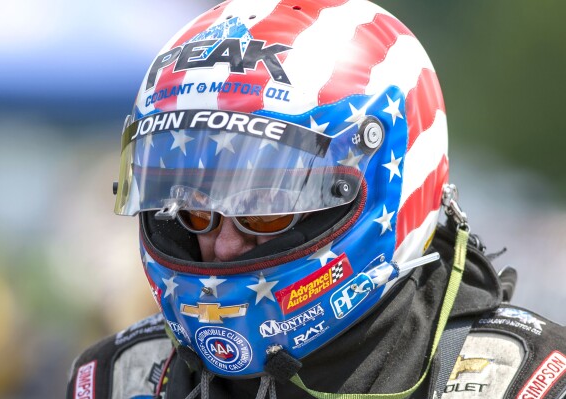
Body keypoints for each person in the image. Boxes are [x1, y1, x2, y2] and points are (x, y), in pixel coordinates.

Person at [67, 0, 566, 398]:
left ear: (387, 190)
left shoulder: (519, 381)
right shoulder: (117, 379)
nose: (220, 247)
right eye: (194, 210)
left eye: (263, 211)